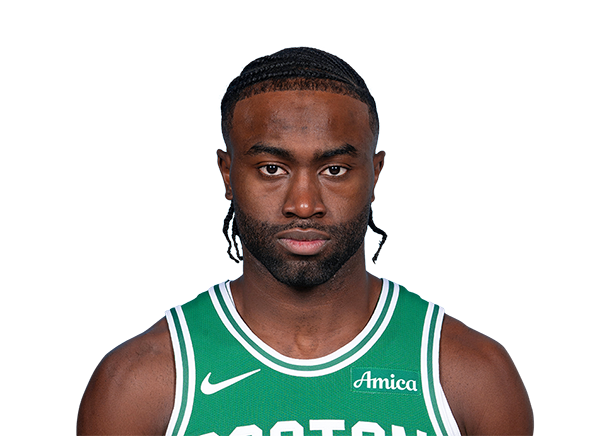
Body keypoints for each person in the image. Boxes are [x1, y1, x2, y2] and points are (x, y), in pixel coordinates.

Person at [77, 46, 533, 436]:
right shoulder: (142, 384)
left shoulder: (469, 377)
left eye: (334, 169)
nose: (303, 204)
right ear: (227, 174)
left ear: (374, 173)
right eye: (272, 169)